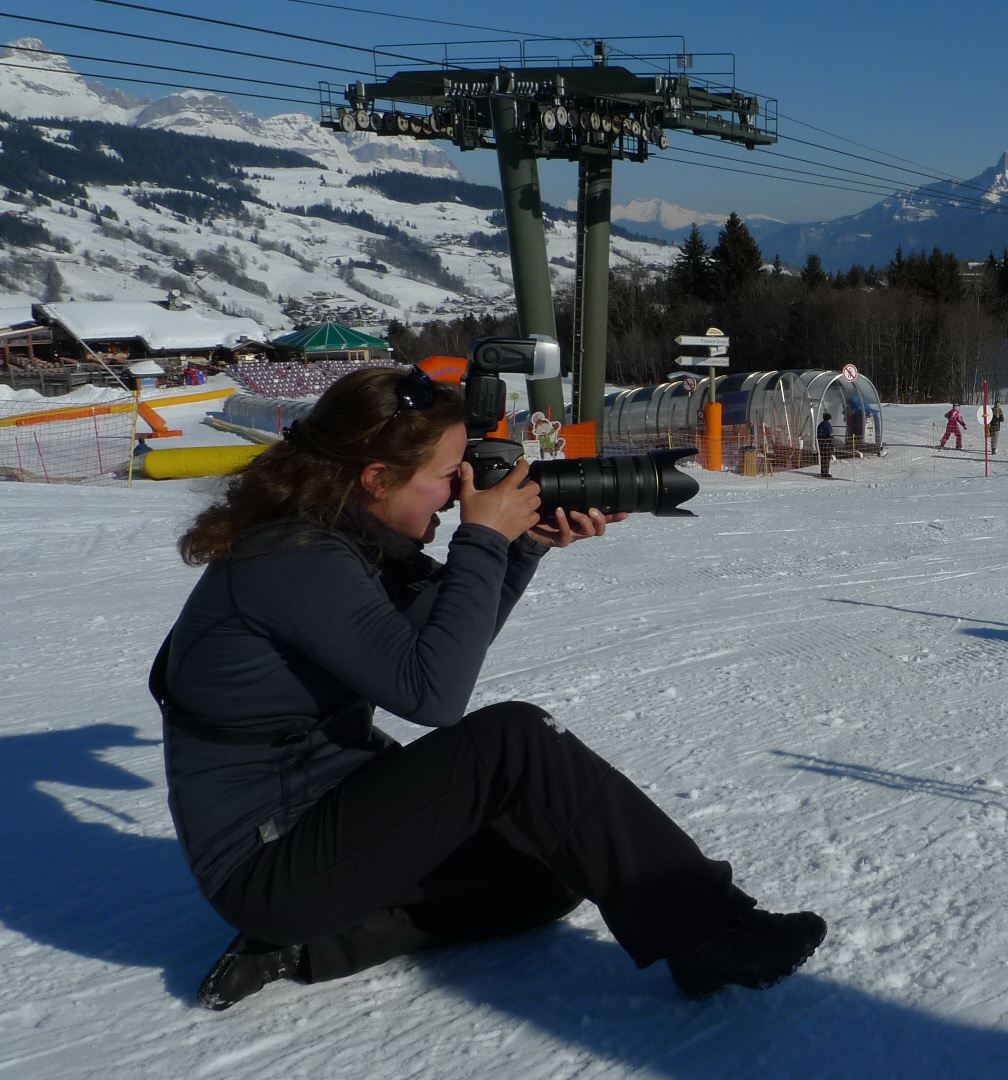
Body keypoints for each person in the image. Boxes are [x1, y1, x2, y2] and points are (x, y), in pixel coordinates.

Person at [154, 367, 824, 1011]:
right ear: (376, 478)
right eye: (448, 477)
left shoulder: (344, 539)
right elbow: (432, 693)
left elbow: (440, 639)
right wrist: (481, 536)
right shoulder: (296, 560)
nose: (457, 495)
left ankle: (314, 948)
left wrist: (519, 545)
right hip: (269, 861)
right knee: (516, 739)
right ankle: (711, 933)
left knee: (552, 865)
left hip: (327, 809)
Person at [817, 411, 835, 477]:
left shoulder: (820, 425)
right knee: (827, 458)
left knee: (823, 458)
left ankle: (823, 471)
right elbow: (830, 435)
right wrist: (832, 445)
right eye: (830, 418)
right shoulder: (828, 425)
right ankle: (826, 473)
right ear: (828, 419)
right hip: (827, 444)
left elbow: (818, 435)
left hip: (821, 443)